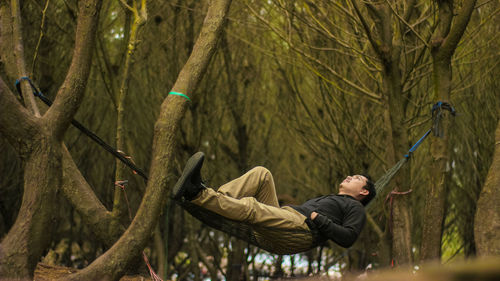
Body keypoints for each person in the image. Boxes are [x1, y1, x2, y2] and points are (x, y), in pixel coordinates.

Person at [173, 152, 376, 252]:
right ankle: (215, 197)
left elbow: (348, 238)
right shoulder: (335, 199)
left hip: (299, 233)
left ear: (364, 191)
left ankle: (197, 195)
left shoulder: (355, 207)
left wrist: (318, 218)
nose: (350, 176)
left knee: (253, 207)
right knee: (262, 174)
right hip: (284, 222)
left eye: (356, 178)